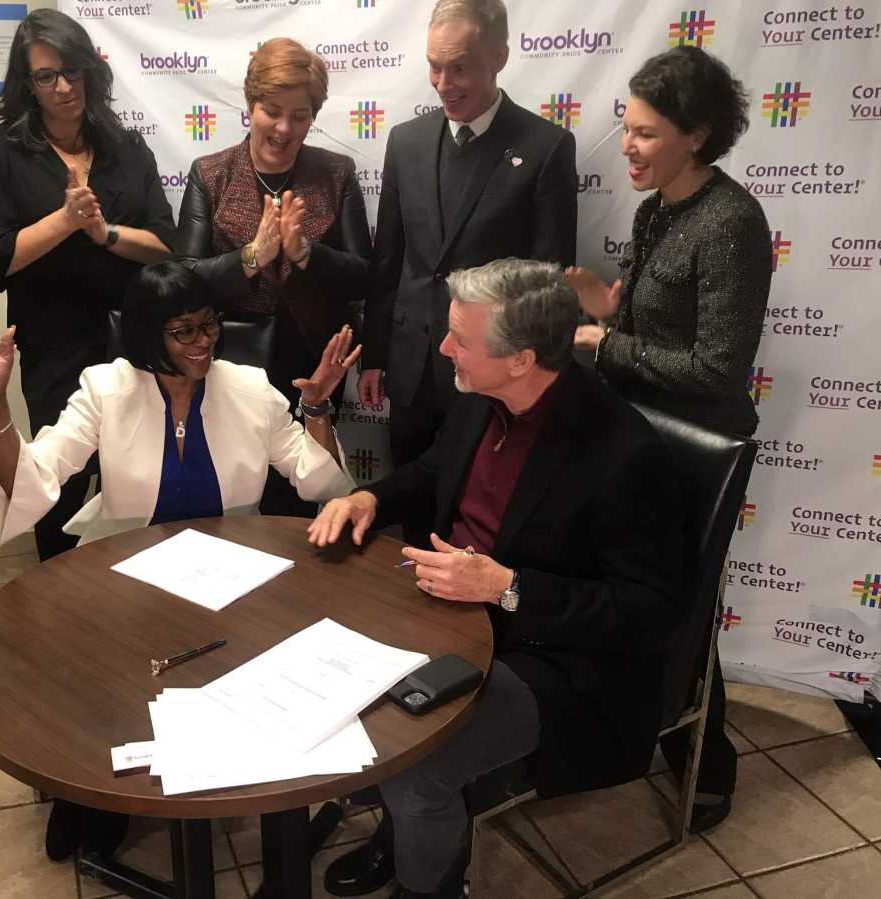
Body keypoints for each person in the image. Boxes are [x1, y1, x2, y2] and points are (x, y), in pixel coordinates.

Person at [0, 262, 357, 865]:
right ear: (148, 334)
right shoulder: (105, 388)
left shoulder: (251, 388)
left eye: (209, 324)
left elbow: (321, 484)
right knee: (102, 685)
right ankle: (94, 792)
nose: (203, 341)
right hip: (119, 581)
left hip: (229, 580)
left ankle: (208, 778)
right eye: (183, 331)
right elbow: (35, 479)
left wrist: (314, 408)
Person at [308, 259, 682, 899]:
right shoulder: (481, 398)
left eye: (461, 339)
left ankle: (432, 884)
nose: (444, 347)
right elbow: (431, 471)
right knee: (324, 670)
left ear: (520, 360)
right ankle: (403, 836)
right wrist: (373, 500)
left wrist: (507, 586)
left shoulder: (623, 454)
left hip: (549, 655)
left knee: (416, 767)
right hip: (451, 608)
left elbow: (648, 612)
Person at [566, 46, 771, 831]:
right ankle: (634, 739)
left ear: (699, 134)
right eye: (628, 129)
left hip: (700, 455)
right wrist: (606, 310)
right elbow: (655, 334)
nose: (628, 147)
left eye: (647, 134)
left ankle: (704, 767)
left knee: (682, 616)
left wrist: (600, 341)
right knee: (637, 601)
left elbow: (717, 368)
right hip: (644, 440)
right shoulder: (657, 211)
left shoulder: (732, 222)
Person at [358, 0, 578, 533]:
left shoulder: (546, 147)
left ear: (499, 56)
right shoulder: (405, 142)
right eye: (434, 65)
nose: (443, 82)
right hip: (410, 370)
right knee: (409, 510)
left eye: (458, 66)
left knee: (480, 521)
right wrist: (375, 356)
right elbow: (390, 260)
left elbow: (548, 284)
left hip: (494, 378)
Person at [0, 9, 175, 563]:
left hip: (132, 343)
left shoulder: (126, 146)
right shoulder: (1, 151)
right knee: (58, 491)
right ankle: (63, 607)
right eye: (45, 76)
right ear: (27, 84)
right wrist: (64, 221)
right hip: (54, 346)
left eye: (73, 71)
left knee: (137, 479)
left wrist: (103, 231)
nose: (63, 87)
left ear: (90, 70)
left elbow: (164, 243)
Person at [176, 37, 372, 516]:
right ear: (250, 104)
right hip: (232, 363)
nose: (284, 129)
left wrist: (305, 253)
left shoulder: (336, 172)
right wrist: (252, 255)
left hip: (316, 364)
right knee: (238, 493)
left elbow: (365, 277)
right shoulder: (211, 173)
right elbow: (183, 278)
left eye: (300, 116)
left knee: (307, 495)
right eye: (272, 110)